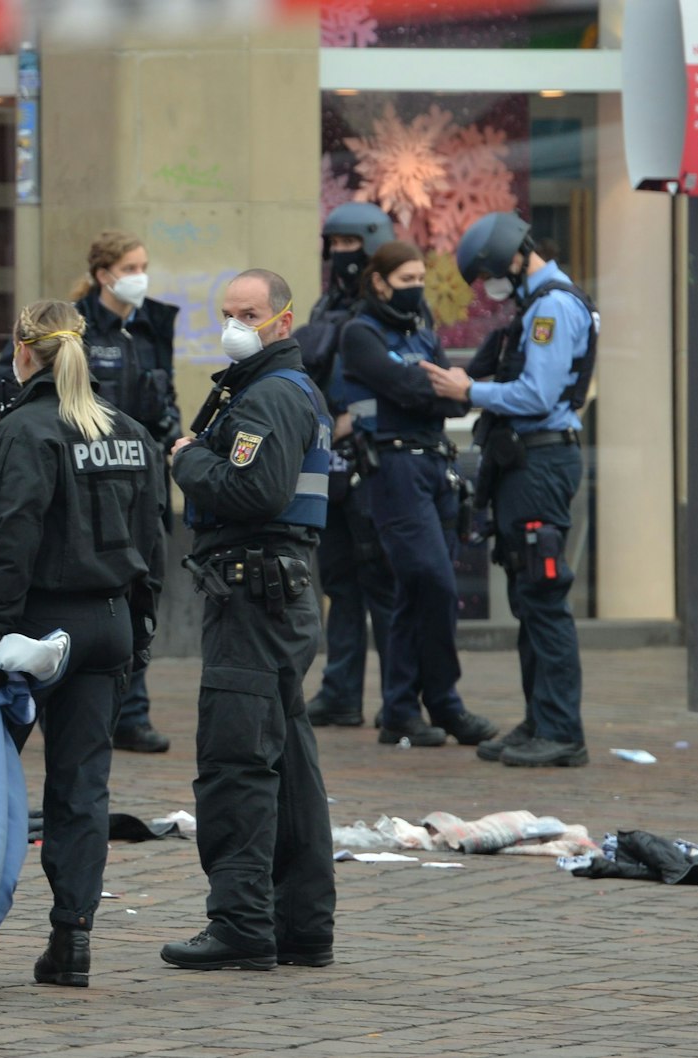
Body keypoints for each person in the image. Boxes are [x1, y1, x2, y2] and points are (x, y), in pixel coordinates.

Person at [0, 299, 164, 987]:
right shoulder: (129, 429)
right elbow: (152, 545)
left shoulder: (25, 430)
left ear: (23, 352)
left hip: (33, 627)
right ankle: (72, 938)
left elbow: (9, 542)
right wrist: (138, 635)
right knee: (83, 789)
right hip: (106, 625)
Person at [160, 269, 335, 972]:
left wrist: (187, 460)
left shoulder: (268, 397)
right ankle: (300, 924)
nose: (236, 323)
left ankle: (240, 923)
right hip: (277, 596)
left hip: (254, 599)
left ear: (283, 321)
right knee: (287, 764)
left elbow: (254, 490)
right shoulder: (270, 390)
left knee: (236, 763)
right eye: (229, 312)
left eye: (250, 313)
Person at [0, 231, 180, 754]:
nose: (140, 275)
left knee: (126, 588)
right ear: (103, 274)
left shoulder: (147, 328)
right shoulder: (70, 335)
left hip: (124, 489)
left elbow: (163, 400)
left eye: (144, 263)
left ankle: (132, 711)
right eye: (131, 265)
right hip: (81, 503)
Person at [423, 212, 594, 768]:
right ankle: (540, 720)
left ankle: (562, 730)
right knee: (528, 595)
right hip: (529, 463)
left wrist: (470, 389)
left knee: (543, 597)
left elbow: (537, 395)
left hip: (542, 461)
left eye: (491, 275)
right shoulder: (540, 305)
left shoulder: (550, 307)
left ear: (515, 260)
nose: (491, 288)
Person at [340, 241, 499, 748]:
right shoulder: (359, 333)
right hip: (393, 469)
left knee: (417, 592)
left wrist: (439, 389)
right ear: (380, 281)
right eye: (405, 280)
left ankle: (401, 709)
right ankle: (445, 702)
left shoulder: (423, 333)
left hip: (436, 466)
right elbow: (408, 388)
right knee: (433, 582)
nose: (415, 289)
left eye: (419, 280)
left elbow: (454, 402)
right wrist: (437, 388)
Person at [299, 202, 396, 729]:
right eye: (333, 246)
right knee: (338, 580)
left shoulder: (389, 309)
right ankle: (341, 690)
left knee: (381, 581)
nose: (341, 256)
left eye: (349, 246)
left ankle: (399, 695)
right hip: (330, 462)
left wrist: (352, 421)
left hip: (372, 459)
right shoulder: (326, 306)